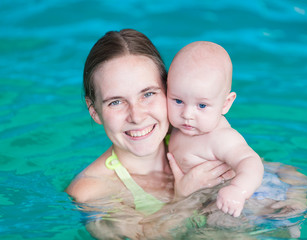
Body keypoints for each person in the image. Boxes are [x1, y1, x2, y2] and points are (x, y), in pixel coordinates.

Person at [65, 29, 235, 239]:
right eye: (116, 102)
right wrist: (183, 199)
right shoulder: (91, 191)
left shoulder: (194, 135)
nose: (136, 116)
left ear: (169, 91)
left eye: (148, 94)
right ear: (94, 111)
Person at [167, 41, 264, 217]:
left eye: (202, 105)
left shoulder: (221, 137)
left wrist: (238, 190)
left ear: (226, 104)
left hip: (236, 202)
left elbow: (251, 162)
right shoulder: (174, 125)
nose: (187, 114)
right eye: (178, 101)